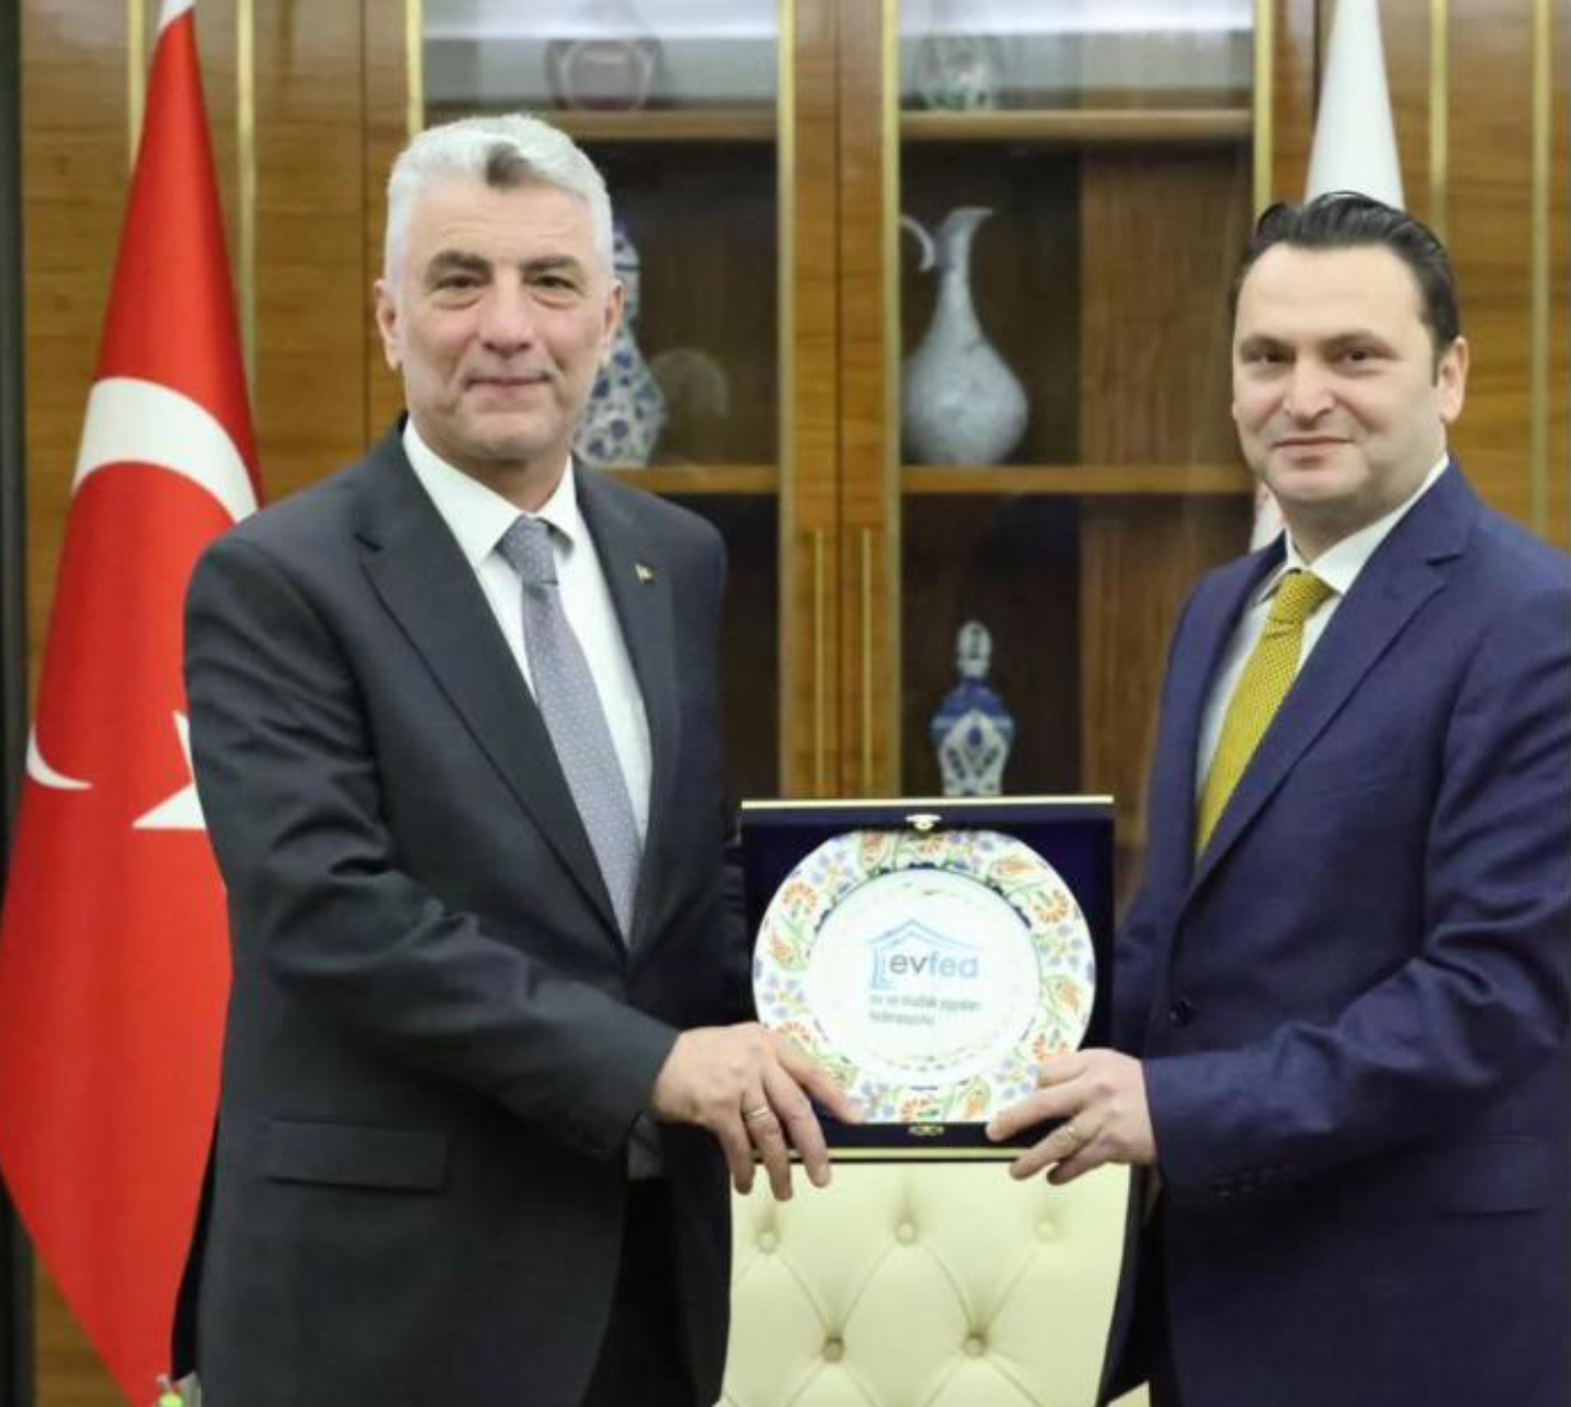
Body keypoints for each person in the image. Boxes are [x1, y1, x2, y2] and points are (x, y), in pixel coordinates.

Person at [172, 113, 855, 1407]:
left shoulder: (674, 558)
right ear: (389, 320)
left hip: (644, 1275)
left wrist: (890, 996)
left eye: (548, 282)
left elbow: (685, 886)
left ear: (607, 318)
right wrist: (649, 1066)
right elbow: (329, 911)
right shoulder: (277, 579)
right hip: (384, 1298)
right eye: (457, 282)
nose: (506, 327)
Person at [988, 193, 1570, 1407]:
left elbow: (1492, 993)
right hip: (1215, 1297)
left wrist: (1172, 1105)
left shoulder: (1532, 625)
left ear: (1448, 375)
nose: (1301, 397)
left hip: (1421, 1317)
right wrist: (967, 1051)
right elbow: (1175, 936)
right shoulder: (1222, 610)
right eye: (1266, 358)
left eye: (1352, 357)